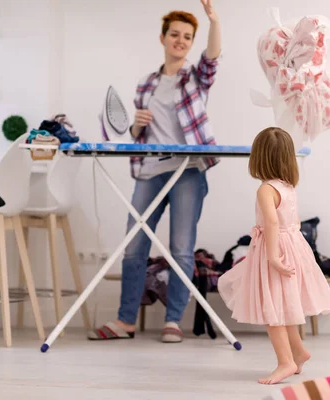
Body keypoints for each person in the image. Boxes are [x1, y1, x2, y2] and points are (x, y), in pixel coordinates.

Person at [88, 1, 221, 343]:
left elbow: (212, 58)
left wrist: (213, 21)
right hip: (150, 170)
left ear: (192, 43)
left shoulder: (195, 77)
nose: (180, 40)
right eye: (174, 34)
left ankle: (173, 320)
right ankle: (125, 320)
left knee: (181, 248)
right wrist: (135, 126)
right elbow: (134, 134)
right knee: (134, 246)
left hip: (187, 171)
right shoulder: (145, 84)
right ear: (162, 38)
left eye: (187, 37)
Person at [217, 127, 330, 385]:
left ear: (259, 157)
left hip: (275, 250)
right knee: (283, 307)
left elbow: (271, 223)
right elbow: (290, 222)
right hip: (292, 246)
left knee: (271, 310)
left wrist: (272, 257)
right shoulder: (288, 187)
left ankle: (285, 362)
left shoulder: (265, 189)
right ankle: (298, 353)